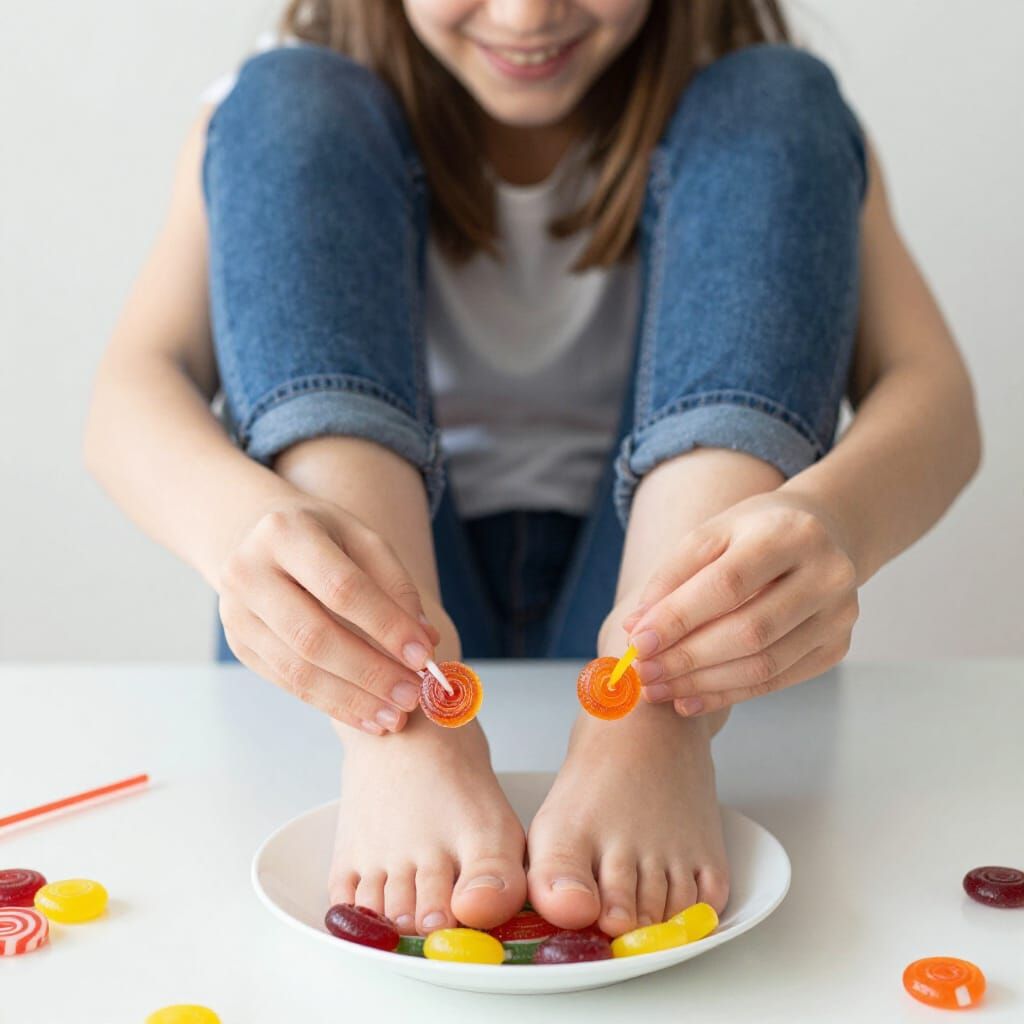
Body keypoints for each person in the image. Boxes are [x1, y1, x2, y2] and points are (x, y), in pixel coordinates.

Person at [84, 0, 981, 940]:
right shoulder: (278, 102)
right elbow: (128, 395)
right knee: (289, 100)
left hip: (658, 593)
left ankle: (656, 717)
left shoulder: (758, 103)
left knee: (780, 100)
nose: (526, 14)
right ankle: (396, 720)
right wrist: (242, 532)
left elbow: (935, 401)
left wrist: (836, 521)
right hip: (378, 581)